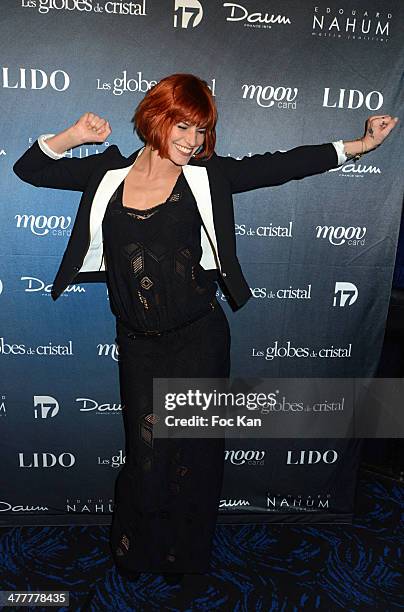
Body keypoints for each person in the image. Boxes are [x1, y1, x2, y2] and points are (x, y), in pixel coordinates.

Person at [13, 74, 398, 585]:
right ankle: (136, 551)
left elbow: (279, 167)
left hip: (199, 337)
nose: (193, 141)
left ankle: (184, 558)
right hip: (138, 342)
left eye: (202, 130)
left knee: (195, 455)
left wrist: (361, 145)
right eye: (184, 126)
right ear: (157, 118)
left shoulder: (204, 176)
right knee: (146, 455)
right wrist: (73, 137)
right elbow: (30, 168)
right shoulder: (108, 173)